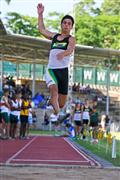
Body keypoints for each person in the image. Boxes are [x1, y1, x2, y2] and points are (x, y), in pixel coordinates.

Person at [37, 3, 75, 118]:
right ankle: (59, 115)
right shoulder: (54, 36)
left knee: (61, 103)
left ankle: (50, 102)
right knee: (54, 91)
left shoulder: (71, 39)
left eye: (69, 24)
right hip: (52, 70)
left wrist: (63, 53)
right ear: (61, 24)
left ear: (71, 27)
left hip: (63, 72)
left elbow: (70, 50)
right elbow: (42, 29)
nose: (66, 25)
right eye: (65, 23)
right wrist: (40, 14)